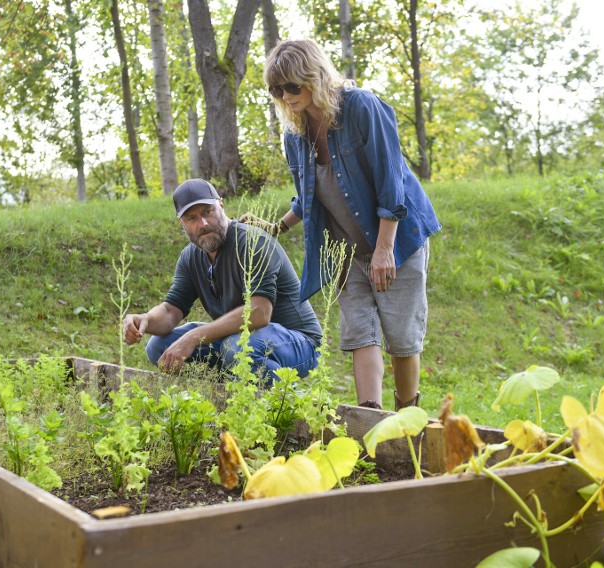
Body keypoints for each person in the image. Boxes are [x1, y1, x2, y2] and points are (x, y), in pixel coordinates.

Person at [245, 38, 441, 410]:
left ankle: (407, 420)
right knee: (361, 337)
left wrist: (385, 249)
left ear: (314, 76)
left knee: (401, 339)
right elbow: (309, 195)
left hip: (398, 241)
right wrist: (277, 227)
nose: (285, 96)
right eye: (276, 89)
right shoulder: (295, 137)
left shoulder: (362, 107)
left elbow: (391, 182)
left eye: (291, 85)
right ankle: (371, 422)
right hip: (347, 251)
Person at [122, 178, 322, 385]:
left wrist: (194, 337)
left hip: (299, 342)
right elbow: (171, 311)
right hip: (237, 340)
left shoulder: (252, 241)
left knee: (238, 350)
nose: (203, 223)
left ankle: (284, 405)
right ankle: (217, 395)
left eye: (208, 211)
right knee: (158, 346)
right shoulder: (190, 257)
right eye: (192, 218)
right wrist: (144, 319)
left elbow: (259, 312)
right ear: (181, 223)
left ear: (221, 205)